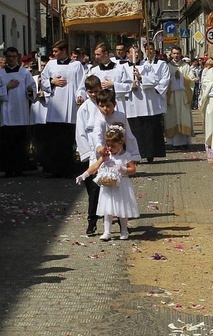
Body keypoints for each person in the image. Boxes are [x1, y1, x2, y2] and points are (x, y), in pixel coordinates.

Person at [75, 123, 139, 241]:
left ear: (120, 143)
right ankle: (107, 232)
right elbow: (95, 166)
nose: (109, 148)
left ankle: (124, 230)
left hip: (121, 185)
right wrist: (84, 175)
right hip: (108, 186)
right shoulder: (106, 155)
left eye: (112, 146)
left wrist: (124, 169)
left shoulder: (126, 155)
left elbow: (133, 169)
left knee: (122, 208)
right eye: (108, 145)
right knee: (107, 209)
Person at [40, 40, 86, 177]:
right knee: (54, 140)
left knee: (67, 140)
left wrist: (80, 95)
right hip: (54, 107)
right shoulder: (50, 64)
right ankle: (54, 169)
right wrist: (51, 82)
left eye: (56, 51)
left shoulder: (76, 65)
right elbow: (43, 80)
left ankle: (68, 169)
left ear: (64, 50)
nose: (53, 54)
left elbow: (81, 84)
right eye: (53, 51)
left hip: (70, 106)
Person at [126, 46, 169, 163]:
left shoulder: (147, 66)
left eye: (137, 53)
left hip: (147, 102)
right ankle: (136, 156)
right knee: (136, 130)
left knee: (148, 129)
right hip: (132, 103)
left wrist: (141, 78)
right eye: (132, 53)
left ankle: (150, 154)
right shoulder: (123, 67)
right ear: (128, 54)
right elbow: (120, 81)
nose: (135, 55)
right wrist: (129, 85)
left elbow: (154, 80)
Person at [74, 75, 104, 236]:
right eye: (90, 92)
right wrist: (86, 154)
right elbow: (80, 133)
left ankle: (100, 219)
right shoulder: (83, 108)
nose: (93, 94)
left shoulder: (105, 105)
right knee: (92, 188)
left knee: (105, 187)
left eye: (96, 91)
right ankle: (93, 220)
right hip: (90, 150)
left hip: (105, 150)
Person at [0, 47, 36, 177]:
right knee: (7, 143)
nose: (11, 59)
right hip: (6, 114)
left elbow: (32, 87)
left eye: (14, 56)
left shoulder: (24, 73)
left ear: (17, 57)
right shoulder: (1, 74)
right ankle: (8, 168)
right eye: (9, 56)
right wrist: (7, 88)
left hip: (20, 112)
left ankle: (20, 167)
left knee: (20, 142)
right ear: (5, 57)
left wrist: (31, 91)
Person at [88, 43, 132, 114]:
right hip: (100, 107)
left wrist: (114, 85)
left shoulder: (120, 68)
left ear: (106, 54)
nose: (96, 57)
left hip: (117, 105)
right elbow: (89, 87)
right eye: (95, 54)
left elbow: (129, 86)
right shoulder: (94, 71)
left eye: (98, 54)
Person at [165, 46, 194, 149]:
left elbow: (191, 79)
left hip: (183, 95)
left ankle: (184, 142)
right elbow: (165, 80)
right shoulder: (168, 66)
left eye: (178, 53)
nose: (176, 55)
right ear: (171, 54)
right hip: (172, 95)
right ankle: (173, 143)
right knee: (173, 118)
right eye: (174, 53)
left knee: (183, 118)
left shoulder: (186, 66)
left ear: (181, 54)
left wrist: (181, 77)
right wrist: (173, 78)